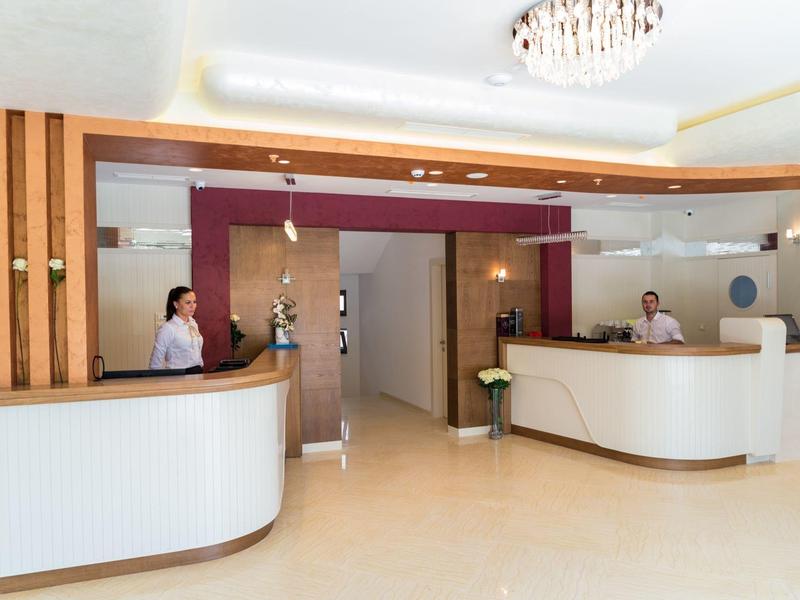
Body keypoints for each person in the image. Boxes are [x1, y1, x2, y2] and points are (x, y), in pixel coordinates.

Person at [149, 286, 204, 372]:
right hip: (178, 377)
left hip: (197, 374)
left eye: (194, 302)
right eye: (188, 302)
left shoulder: (193, 324)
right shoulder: (167, 328)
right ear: (176, 304)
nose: (192, 306)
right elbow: (155, 363)